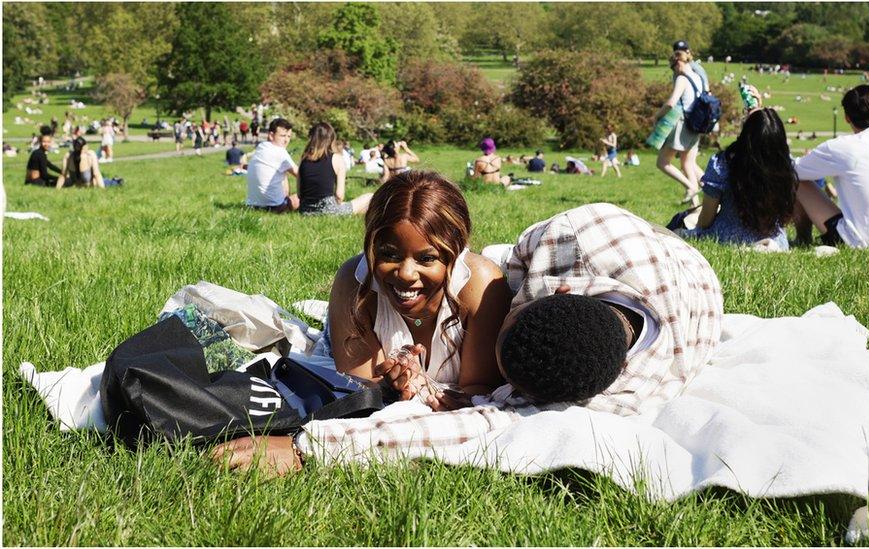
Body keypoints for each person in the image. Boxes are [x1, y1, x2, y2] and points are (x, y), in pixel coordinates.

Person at [210, 202, 722, 474]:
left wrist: (309, 448)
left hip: (691, 283)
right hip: (630, 248)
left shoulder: (633, 390)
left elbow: (477, 424)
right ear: (548, 292)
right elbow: (506, 270)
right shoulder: (565, 237)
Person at [211, 172, 515, 473]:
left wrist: (428, 392)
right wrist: (393, 386)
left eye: (426, 259)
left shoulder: (481, 286)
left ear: (455, 253)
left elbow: (477, 392)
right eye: (389, 254)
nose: (406, 273)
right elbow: (356, 390)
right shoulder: (354, 283)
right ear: (371, 247)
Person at [792, 85, 869, 248]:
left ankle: (803, 240)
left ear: (846, 117)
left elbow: (794, 171)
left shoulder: (842, 146)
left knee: (797, 180)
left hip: (860, 243)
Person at [677, 108, 796, 250]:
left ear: (745, 135)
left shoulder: (723, 163)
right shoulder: (786, 167)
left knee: (678, 225)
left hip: (728, 237)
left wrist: (696, 230)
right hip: (777, 241)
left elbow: (706, 220)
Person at [652, 51, 706, 206]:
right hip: (696, 124)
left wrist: (657, 116)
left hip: (682, 123)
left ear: (678, 63)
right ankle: (697, 204)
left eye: (672, 67)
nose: (673, 71)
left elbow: (671, 103)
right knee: (688, 164)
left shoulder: (682, 79)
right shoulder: (698, 77)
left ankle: (690, 187)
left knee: (662, 162)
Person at [297, 122, 373, 216]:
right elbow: (339, 196)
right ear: (331, 139)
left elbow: (299, 194)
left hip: (305, 211)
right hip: (329, 210)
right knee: (370, 197)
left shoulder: (303, 159)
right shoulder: (337, 158)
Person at [245, 118, 300, 213]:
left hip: (252, 207)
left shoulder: (261, 147)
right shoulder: (280, 151)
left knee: (282, 170)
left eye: (289, 136)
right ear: (271, 135)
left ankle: (284, 198)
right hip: (275, 207)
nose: (286, 140)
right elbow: (302, 175)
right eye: (283, 136)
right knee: (303, 197)